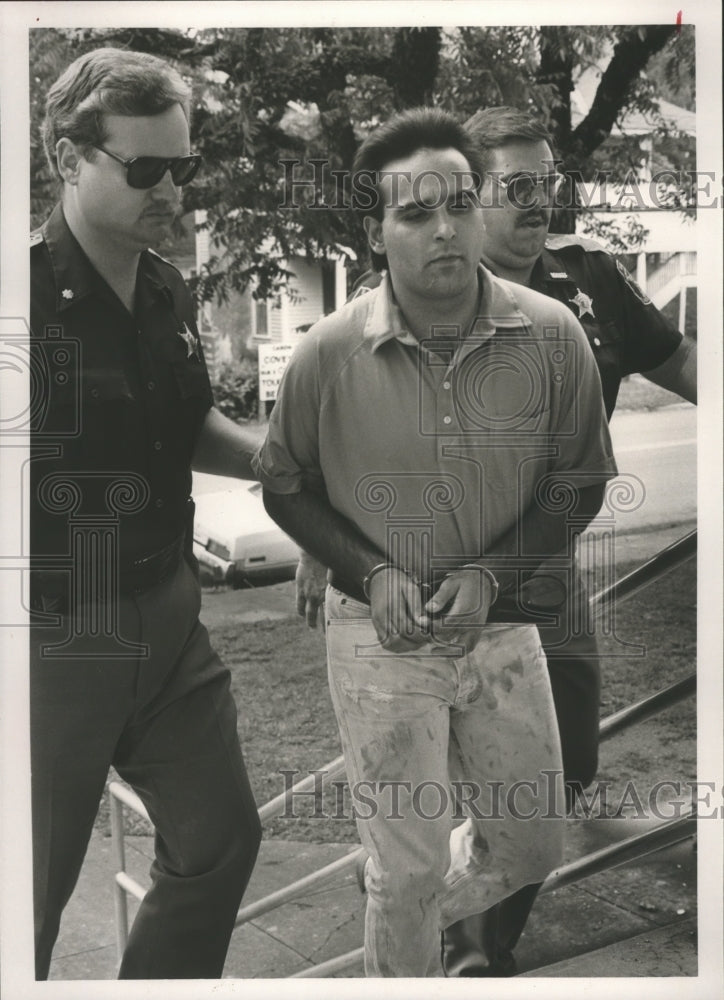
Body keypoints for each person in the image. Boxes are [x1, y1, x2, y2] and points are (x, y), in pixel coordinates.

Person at [254, 106, 618, 977]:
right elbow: (282, 483)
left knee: (532, 848)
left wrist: (493, 575)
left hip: (504, 625)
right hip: (377, 637)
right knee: (409, 870)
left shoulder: (554, 335)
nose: (445, 229)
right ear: (376, 232)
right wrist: (366, 569)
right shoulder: (327, 353)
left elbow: (582, 481)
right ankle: (402, 911)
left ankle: (398, 899)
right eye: (415, 213)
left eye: (459, 201)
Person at [30, 48, 262, 980]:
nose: (172, 189)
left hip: (169, 618)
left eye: (183, 165)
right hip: (56, 639)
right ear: (65, 158)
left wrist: (287, 461)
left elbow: (184, 422)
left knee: (220, 842)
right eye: (146, 168)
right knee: (26, 908)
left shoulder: (167, 287)